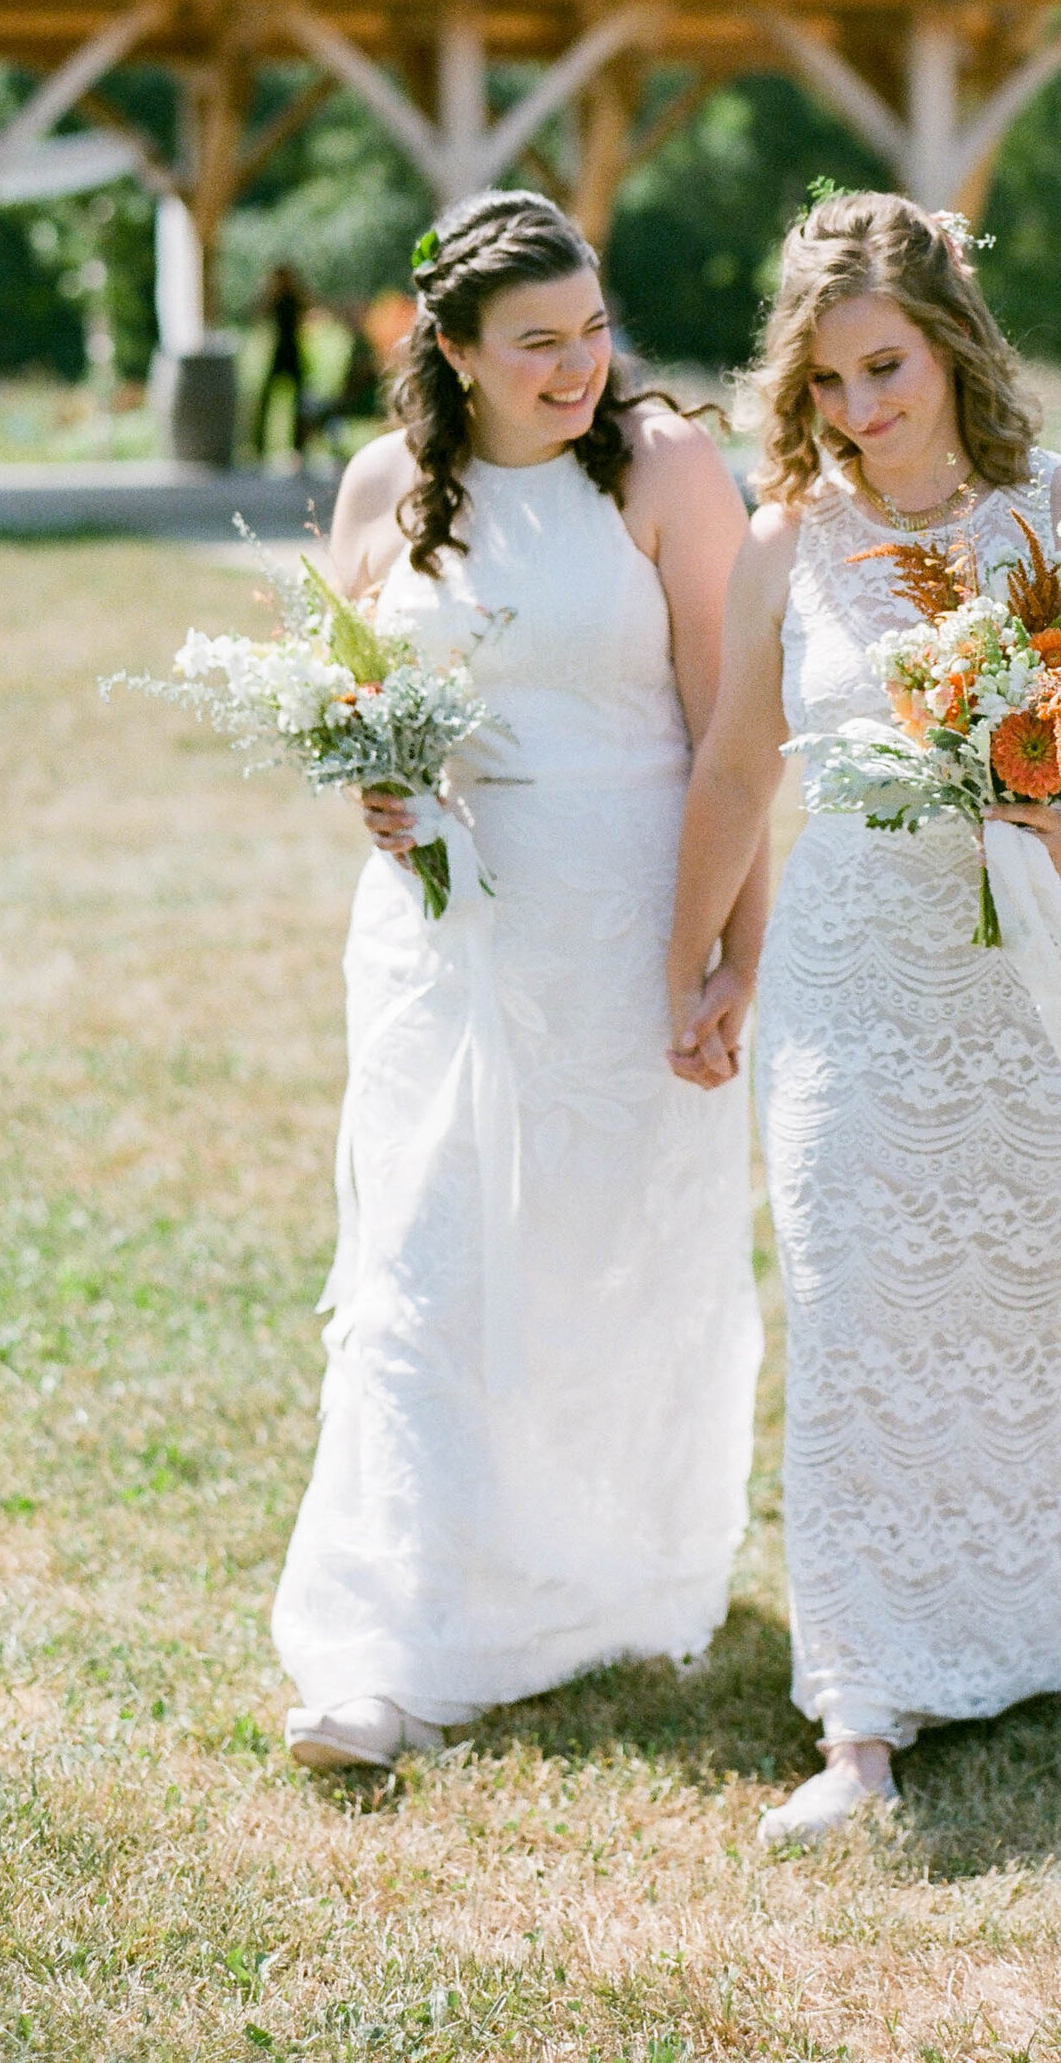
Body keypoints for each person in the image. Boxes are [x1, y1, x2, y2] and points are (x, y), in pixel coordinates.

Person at [663, 191, 1061, 1849]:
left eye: (884, 363)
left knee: (1031, 1297)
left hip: (1042, 968)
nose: (860, 405)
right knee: (850, 1300)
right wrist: (693, 957)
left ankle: (1037, 1609)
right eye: (827, 377)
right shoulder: (788, 541)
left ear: (950, 343)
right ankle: (861, 1710)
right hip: (853, 980)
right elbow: (745, 765)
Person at [271, 190, 765, 1775]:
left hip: (632, 908)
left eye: (593, 330)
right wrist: (370, 782)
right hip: (436, 934)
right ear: (455, 351)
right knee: (424, 1259)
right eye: (538, 343)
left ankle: (609, 1578)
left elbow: (737, 727)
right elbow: (348, 693)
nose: (579, 368)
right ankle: (389, 1644)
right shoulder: (384, 483)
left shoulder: (670, 467)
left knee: (611, 1255)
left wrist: (729, 951)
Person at [254, 263, 310, 462]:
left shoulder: (294, 298)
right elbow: (260, 312)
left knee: (299, 404)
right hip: (281, 353)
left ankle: (298, 446)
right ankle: (259, 446)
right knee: (267, 401)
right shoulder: (277, 299)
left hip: (292, 352)